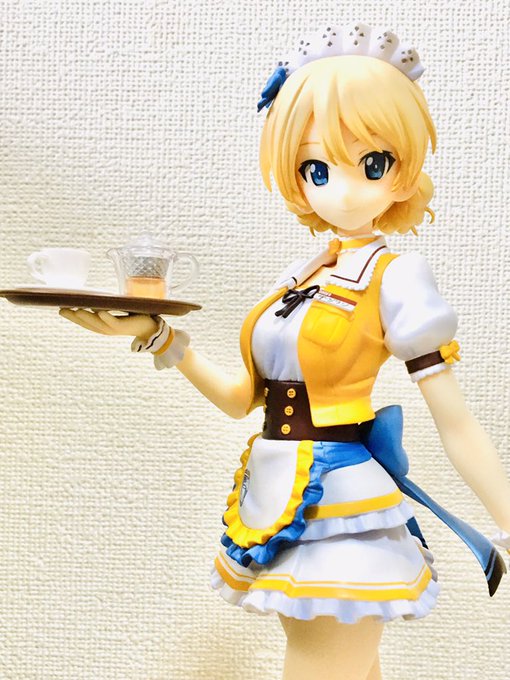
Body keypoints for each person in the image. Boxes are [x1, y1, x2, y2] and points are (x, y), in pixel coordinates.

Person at [59, 22, 510, 680]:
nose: (343, 190)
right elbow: (242, 400)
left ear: (403, 168)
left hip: (342, 506)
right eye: (316, 168)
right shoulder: (302, 276)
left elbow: (455, 420)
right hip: (278, 493)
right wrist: (155, 335)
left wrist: (506, 517)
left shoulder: (395, 277)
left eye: (373, 164)